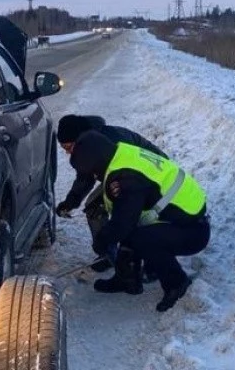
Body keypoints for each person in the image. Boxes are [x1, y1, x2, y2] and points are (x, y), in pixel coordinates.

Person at [68, 130, 210, 312]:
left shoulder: (127, 178)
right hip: (182, 219)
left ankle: (177, 283)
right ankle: (127, 279)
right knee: (133, 225)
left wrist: (102, 241)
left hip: (192, 232)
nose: (94, 177)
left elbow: (122, 224)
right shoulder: (121, 153)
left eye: (92, 173)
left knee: (139, 236)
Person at [53, 114, 169, 273]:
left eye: (68, 147)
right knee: (95, 205)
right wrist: (70, 202)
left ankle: (153, 262)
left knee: (136, 215)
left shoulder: (112, 140)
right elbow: (85, 177)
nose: (68, 153)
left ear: (78, 138)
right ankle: (107, 254)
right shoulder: (89, 145)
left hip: (154, 177)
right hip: (128, 177)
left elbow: (134, 176)